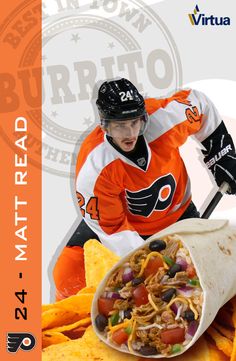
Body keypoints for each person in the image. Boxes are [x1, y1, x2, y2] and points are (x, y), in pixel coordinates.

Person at [53, 78, 236, 300]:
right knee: (67, 273)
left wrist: (221, 154)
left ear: (144, 117)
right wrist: (150, 266)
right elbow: (114, 230)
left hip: (179, 215)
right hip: (124, 225)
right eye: (120, 125)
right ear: (105, 125)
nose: (130, 133)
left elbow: (201, 105)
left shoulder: (165, 118)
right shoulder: (93, 168)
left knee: (211, 272)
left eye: (135, 122)